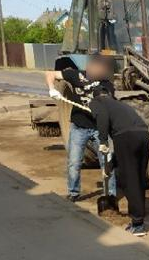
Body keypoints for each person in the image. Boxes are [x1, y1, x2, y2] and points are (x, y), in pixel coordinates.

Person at [44, 54, 117, 203]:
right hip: (79, 128)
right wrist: (52, 89)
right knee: (74, 162)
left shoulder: (107, 85)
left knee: (107, 162)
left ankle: (111, 195)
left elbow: (107, 103)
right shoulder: (75, 75)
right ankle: (73, 192)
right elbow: (50, 73)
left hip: (99, 129)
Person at [91, 94, 149, 238]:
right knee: (138, 177)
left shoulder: (97, 102)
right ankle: (137, 220)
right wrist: (110, 166)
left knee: (128, 180)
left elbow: (102, 118)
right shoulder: (120, 105)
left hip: (126, 137)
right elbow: (121, 153)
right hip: (143, 136)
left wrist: (103, 141)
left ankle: (138, 224)